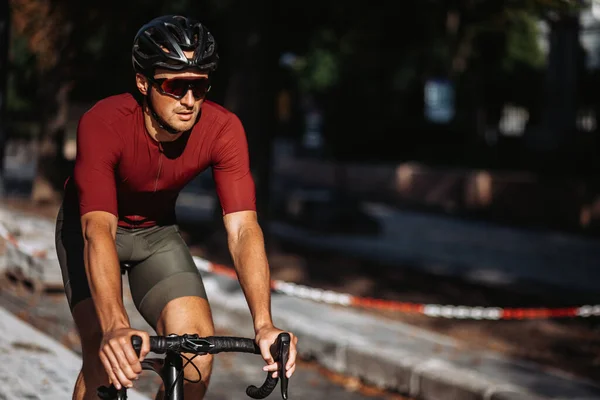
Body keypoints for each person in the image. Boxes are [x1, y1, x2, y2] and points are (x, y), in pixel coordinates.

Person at [55, 14, 298, 400]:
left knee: (196, 359)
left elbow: (243, 230)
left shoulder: (223, 129)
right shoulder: (103, 123)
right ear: (143, 82)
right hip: (91, 229)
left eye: (199, 87)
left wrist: (264, 324)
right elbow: (96, 229)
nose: (189, 101)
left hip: (156, 234)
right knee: (106, 357)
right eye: (174, 85)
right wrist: (116, 325)